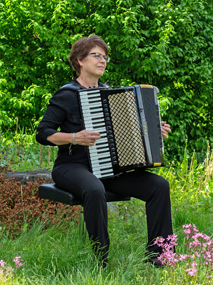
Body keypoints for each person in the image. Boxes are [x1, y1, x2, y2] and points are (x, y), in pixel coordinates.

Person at [36, 34, 173, 268]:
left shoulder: (111, 95)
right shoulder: (67, 94)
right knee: (94, 189)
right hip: (71, 166)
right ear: (80, 60)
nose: (103, 60)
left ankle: (161, 257)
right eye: (96, 55)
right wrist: (74, 137)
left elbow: (127, 133)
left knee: (159, 186)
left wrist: (152, 131)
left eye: (105, 57)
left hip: (109, 169)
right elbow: (43, 133)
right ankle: (101, 261)